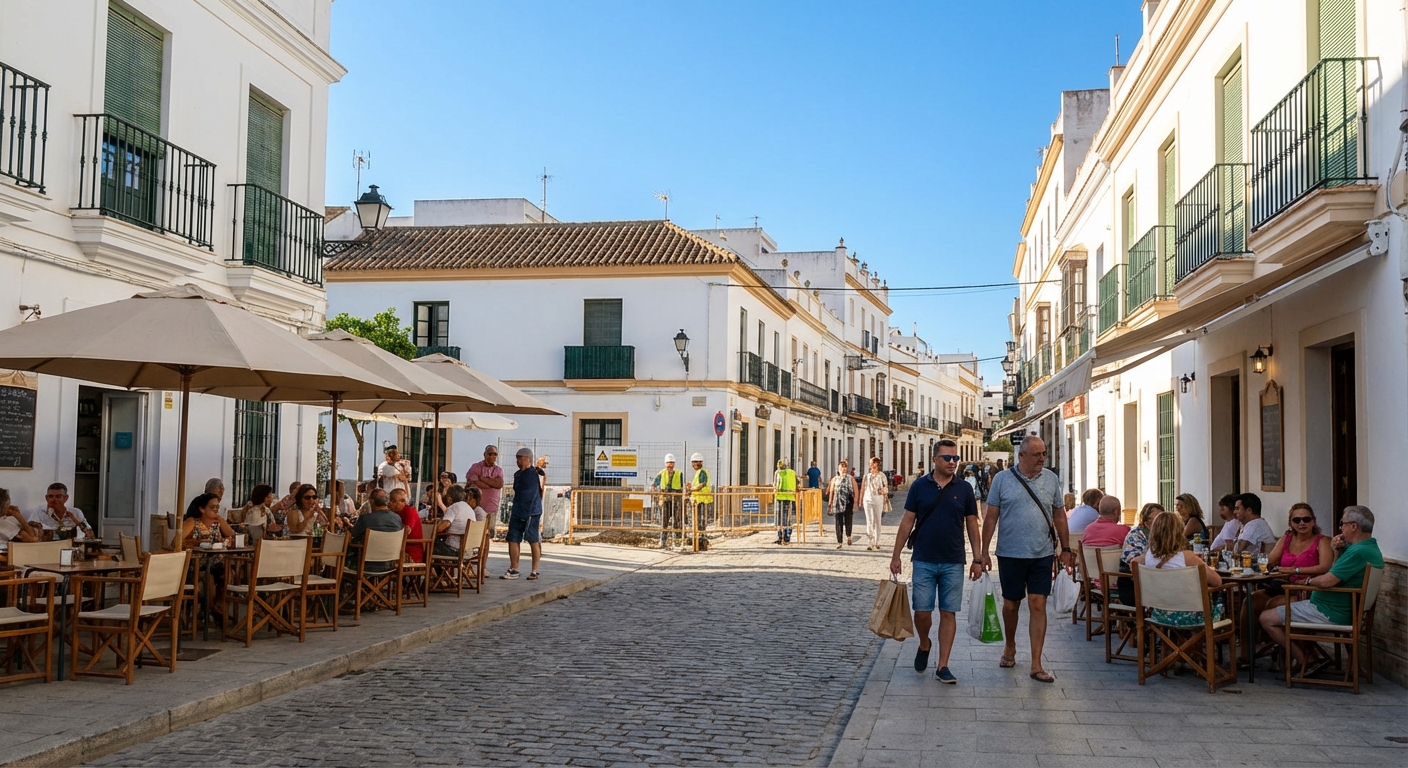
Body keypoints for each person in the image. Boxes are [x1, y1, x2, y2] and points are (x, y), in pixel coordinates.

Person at [979, 435, 1070, 683]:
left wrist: (1066, 547)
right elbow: (991, 517)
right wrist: (984, 552)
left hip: (1042, 553)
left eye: (1044, 454)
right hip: (1010, 553)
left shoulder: (1051, 479)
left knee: (1038, 603)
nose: (1042, 459)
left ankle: (1036, 664)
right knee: (1011, 604)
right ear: (1021, 456)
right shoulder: (1002, 479)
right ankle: (1010, 645)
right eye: (1036, 454)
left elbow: (1059, 514)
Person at [890, 440, 981, 684]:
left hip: (953, 560)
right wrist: (896, 555)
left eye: (955, 458)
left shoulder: (964, 489)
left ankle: (943, 665)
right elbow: (907, 521)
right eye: (947, 458)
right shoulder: (920, 486)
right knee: (922, 611)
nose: (952, 462)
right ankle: (924, 643)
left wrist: (978, 558)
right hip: (924, 558)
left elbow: (972, 524)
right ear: (934, 459)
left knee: (948, 612)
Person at [1260, 505, 1383, 670]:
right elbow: (1336, 571)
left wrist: (1307, 582)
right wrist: (1337, 550)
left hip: (1330, 611)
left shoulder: (1358, 551)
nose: (1340, 528)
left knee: (1266, 618)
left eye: (1342, 523)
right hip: (1335, 607)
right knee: (1275, 607)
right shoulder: (1366, 547)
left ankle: (1306, 660)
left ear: (1354, 526)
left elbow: (1327, 581)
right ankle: (1299, 657)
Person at [1137, 511, 1223, 626]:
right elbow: (1217, 581)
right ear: (1178, 532)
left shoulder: (1149, 556)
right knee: (1222, 594)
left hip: (1159, 614)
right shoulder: (1187, 557)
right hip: (1190, 616)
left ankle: (1172, 637)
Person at [181, 492, 237, 622]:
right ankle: (211, 610)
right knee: (208, 575)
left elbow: (232, 535)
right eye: (212, 507)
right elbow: (176, 542)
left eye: (217, 507)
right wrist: (197, 542)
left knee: (228, 573)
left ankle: (217, 607)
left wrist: (222, 523)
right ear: (202, 509)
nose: (216, 510)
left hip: (216, 561)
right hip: (195, 564)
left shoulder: (218, 522)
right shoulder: (192, 522)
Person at [503, 447, 543, 580]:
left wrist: (526, 513)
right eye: (517, 458)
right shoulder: (518, 474)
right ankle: (514, 568)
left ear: (528, 459)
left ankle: (535, 570)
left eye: (521, 458)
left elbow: (531, 495)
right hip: (518, 510)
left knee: (533, 539)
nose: (518, 461)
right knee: (513, 538)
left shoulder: (532, 474)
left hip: (532, 511)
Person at [1117, 503, 1164, 607]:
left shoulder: (1161, 536)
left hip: (1154, 583)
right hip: (1134, 586)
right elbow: (1136, 565)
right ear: (1146, 522)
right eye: (1157, 519)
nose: (1162, 523)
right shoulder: (1136, 535)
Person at [350, 489, 405, 571]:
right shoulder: (397, 518)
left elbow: (352, 534)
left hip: (365, 565)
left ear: (372, 502)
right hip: (390, 565)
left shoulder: (365, 519)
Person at [26, 483, 92, 539]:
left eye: (58, 496)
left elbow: (90, 535)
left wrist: (75, 520)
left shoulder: (75, 512)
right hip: (47, 545)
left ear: (66, 498)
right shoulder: (40, 511)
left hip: (70, 545)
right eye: (51, 496)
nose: (54, 499)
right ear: (46, 498)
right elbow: (29, 530)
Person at [466, 445, 505, 536]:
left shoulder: (499, 470)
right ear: (485, 454)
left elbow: (499, 484)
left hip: (491, 508)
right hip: (476, 507)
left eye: (495, 454)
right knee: (475, 534)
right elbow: (472, 480)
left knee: (488, 534)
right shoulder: (476, 467)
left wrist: (481, 478)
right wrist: (491, 483)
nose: (492, 456)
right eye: (490, 454)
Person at [434, 485, 480, 559]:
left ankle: (428, 566)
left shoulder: (454, 507)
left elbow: (443, 525)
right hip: (469, 551)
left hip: (455, 550)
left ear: (449, 498)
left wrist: (432, 530)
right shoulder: (469, 508)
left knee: (430, 544)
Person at [826, 460, 861, 549]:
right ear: (839, 468)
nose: (844, 469)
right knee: (838, 522)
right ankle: (839, 541)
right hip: (837, 502)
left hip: (848, 501)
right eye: (842, 467)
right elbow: (831, 491)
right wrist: (830, 504)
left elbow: (856, 490)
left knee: (848, 519)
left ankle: (849, 536)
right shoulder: (835, 479)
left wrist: (855, 502)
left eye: (845, 467)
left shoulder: (850, 478)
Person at [653, 454, 685, 548]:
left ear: (674, 464)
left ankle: (677, 542)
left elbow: (682, 487)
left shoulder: (679, 474)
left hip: (676, 501)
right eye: (668, 463)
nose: (670, 465)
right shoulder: (661, 474)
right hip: (665, 501)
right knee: (664, 522)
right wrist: (659, 497)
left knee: (677, 522)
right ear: (665, 463)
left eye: (671, 463)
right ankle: (663, 541)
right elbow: (654, 485)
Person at [388, 489, 424, 564]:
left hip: (408, 552)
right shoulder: (393, 513)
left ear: (403, 501)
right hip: (395, 548)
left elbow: (406, 531)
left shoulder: (410, 512)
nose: (389, 504)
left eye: (393, 501)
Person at [861, 457, 889, 550]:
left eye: (872, 463)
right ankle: (870, 542)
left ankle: (877, 541)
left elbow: (886, 488)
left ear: (877, 464)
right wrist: (860, 500)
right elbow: (863, 488)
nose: (871, 465)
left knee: (877, 521)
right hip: (867, 500)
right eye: (870, 464)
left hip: (878, 500)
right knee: (869, 521)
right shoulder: (867, 476)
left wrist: (883, 490)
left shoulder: (882, 475)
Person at [686, 453, 712, 534]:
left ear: (701, 462)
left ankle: (700, 536)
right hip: (698, 500)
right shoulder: (698, 472)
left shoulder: (702, 472)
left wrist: (690, 490)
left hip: (702, 500)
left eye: (696, 462)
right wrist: (690, 488)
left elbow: (701, 485)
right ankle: (698, 535)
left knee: (700, 519)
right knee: (698, 519)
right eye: (693, 462)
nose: (694, 464)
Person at [773, 459, 798, 546]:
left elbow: (775, 485)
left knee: (779, 518)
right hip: (790, 497)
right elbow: (798, 482)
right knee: (788, 517)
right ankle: (787, 536)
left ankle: (781, 537)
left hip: (780, 498)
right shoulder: (792, 472)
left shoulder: (778, 473)